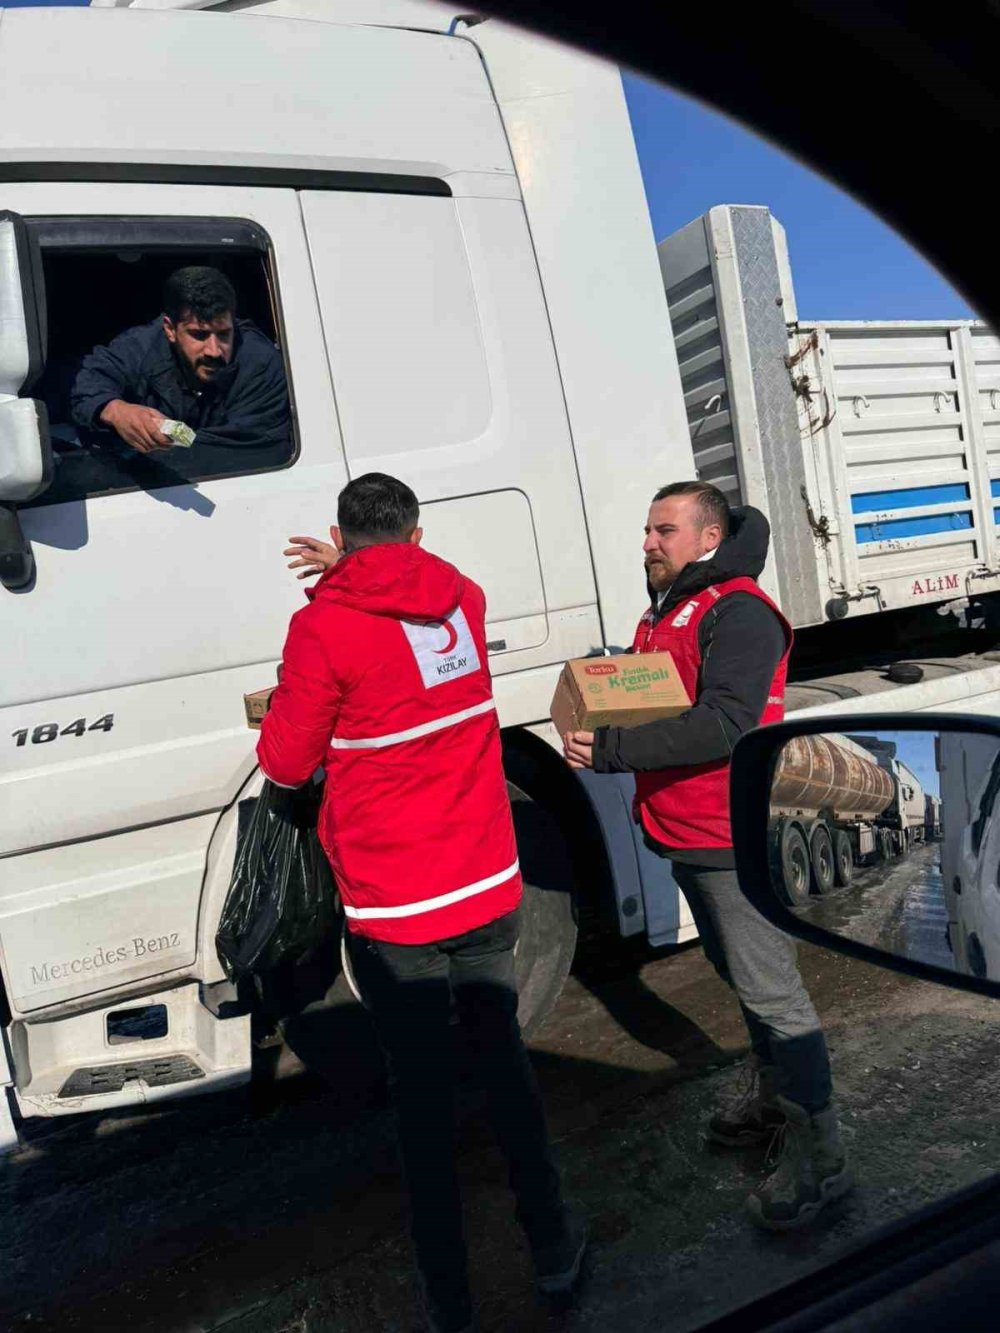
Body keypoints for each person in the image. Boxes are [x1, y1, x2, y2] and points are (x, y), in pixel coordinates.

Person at [257, 473, 584, 1332]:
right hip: (486, 882)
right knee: (506, 1065)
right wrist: (357, 569)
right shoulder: (461, 600)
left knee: (425, 1102)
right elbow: (405, 589)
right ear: (418, 530)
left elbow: (288, 764)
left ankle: (450, 1299)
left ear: (339, 531)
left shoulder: (323, 626)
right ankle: (554, 1251)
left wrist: (337, 583)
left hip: (397, 906)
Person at [563, 479, 852, 1232]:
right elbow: (656, 694)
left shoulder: (741, 613)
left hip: (729, 835)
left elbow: (725, 724)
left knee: (772, 991)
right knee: (742, 979)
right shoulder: (669, 610)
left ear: (709, 538)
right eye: (648, 529)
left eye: (664, 530)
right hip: (685, 832)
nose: (649, 542)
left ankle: (826, 1162)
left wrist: (612, 749)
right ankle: (770, 1104)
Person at [70, 265, 289, 477]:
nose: (214, 350)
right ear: (170, 329)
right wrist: (116, 411)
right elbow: (87, 383)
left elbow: (250, 446)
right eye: (199, 335)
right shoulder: (140, 347)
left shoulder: (261, 363)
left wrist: (165, 443)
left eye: (223, 334)